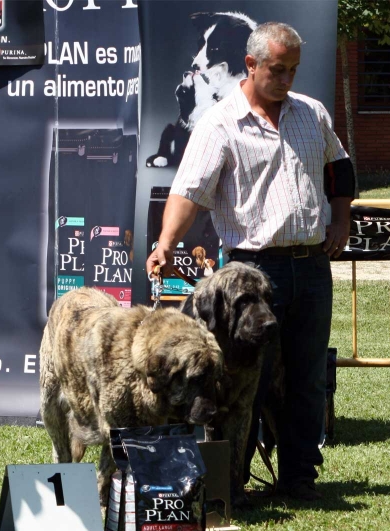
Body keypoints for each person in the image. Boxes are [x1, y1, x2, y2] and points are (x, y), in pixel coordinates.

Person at [146, 22, 355, 501]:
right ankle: (229, 482)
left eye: (293, 71)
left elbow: (339, 168)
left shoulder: (313, 114)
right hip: (249, 276)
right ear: (252, 65)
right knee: (244, 382)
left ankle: (300, 478)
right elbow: (188, 191)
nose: (286, 80)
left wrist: (340, 220)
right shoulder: (219, 123)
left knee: (306, 379)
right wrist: (165, 242)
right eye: (277, 70)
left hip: (311, 266)